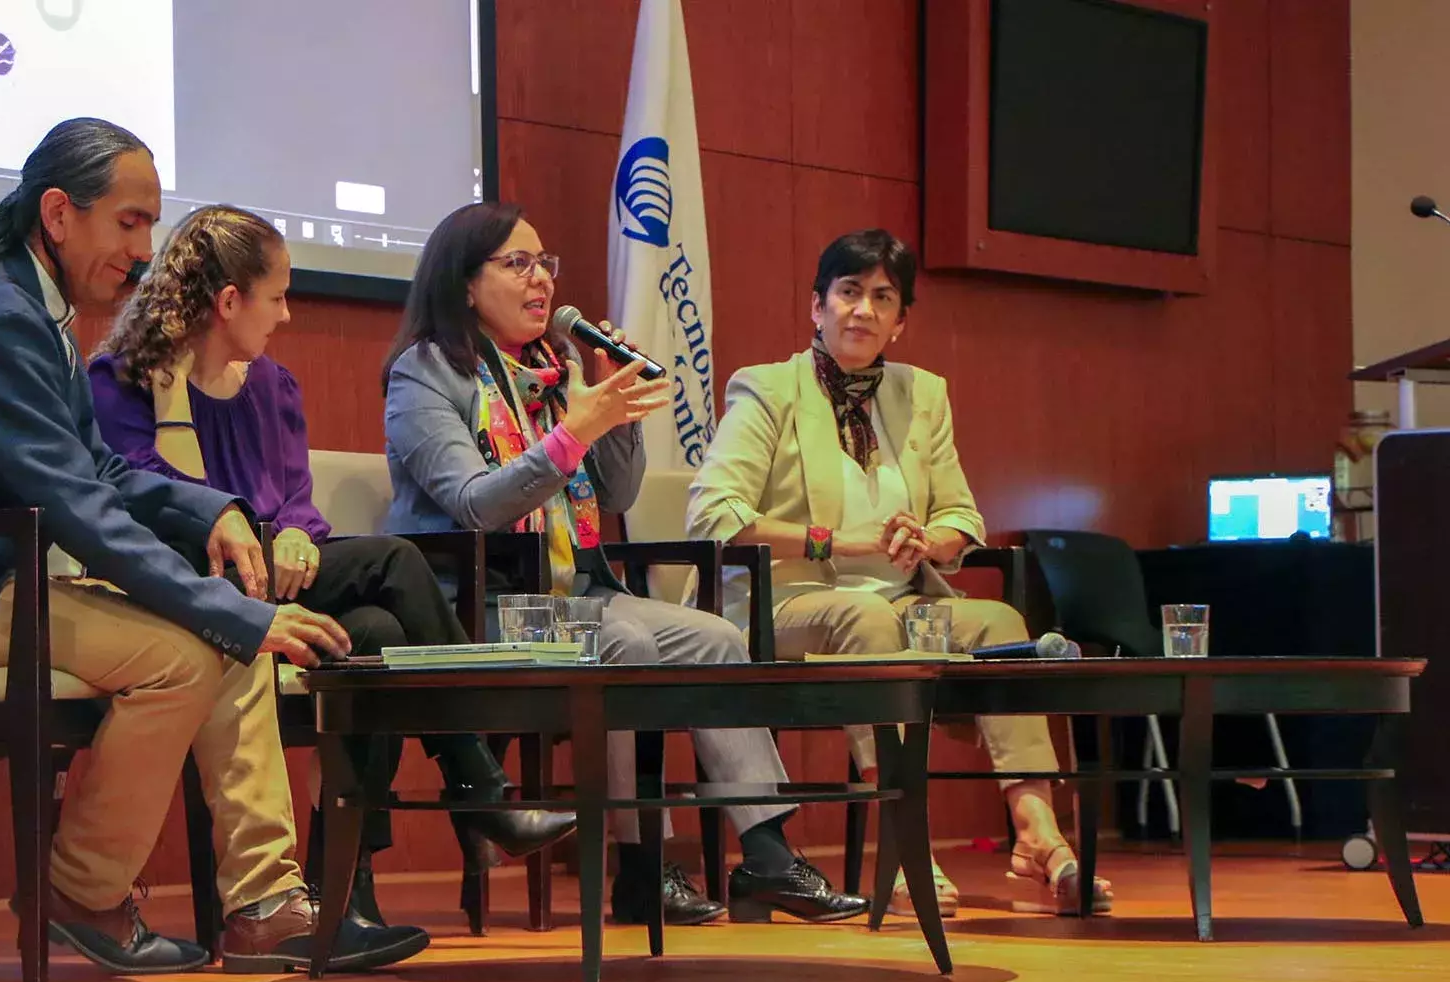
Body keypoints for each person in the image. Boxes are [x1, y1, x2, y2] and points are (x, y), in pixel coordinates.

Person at [0, 119, 430, 974]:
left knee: (223, 630)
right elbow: (74, 505)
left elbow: (96, 466)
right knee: (195, 648)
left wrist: (207, 508)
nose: (145, 251)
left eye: (149, 226)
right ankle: (82, 891)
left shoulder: (31, 306)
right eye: (130, 223)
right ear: (60, 214)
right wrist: (234, 612)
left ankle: (262, 906)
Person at [379, 201, 869, 927]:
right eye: (517, 264)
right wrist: (577, 429)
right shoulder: (425, 376)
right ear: (463, 283)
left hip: (575, 592)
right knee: (626, 645)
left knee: (716, 638)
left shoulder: (558, 368)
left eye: (545, 263)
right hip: (483, 603)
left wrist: (613, 413)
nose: (540, 279)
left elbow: (618, 493)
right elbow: (476, 505)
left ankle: (767, 855)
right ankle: (641, 869)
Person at [86, 203, 577, 924]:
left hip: (277, 575)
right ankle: (477, 787)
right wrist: (258, 526)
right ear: (229, 302)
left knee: (375, 631)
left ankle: (348, 888)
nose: (286, 315)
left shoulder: (273, 389)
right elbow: (137, 493)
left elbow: (297, 505)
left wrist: (295, 536)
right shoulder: (122, 380)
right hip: (186, 583)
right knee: (397, 563)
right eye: (277, 296)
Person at [686, 228, 1115, 917]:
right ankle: (906, 840)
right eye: (848, 292)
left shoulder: (923, 394)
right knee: (868, 616)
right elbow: (715, 515)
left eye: (881, 298)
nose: (863, 310)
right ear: (817, 307)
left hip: (901, 603)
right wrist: (837, 543)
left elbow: (961, 516)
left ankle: (1037, 833)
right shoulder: (767, 389)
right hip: (781, 607)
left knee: (1001, 620)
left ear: (900, 320)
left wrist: (931, 541)